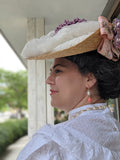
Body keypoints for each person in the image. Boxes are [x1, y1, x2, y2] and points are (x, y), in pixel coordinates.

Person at [17, 16, 120, 160]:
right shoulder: (113, 128)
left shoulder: (55, 142)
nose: (48, 80)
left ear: (89, 78)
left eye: (58, 71)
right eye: (51, 71)